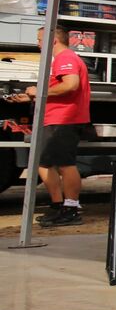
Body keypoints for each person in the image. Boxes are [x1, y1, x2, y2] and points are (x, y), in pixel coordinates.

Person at [5, 25, 92, 226]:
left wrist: (39, 91)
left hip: (63, 119)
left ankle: (71, 208)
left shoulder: (66, 58)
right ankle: (59, 205)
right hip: (55, 118)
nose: (37, 44)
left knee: (64, 163)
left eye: (39, 39)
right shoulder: (61, 60)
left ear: (53, 40)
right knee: (44, 164)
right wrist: (29, 96)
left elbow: (71, 84)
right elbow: (59, 88)